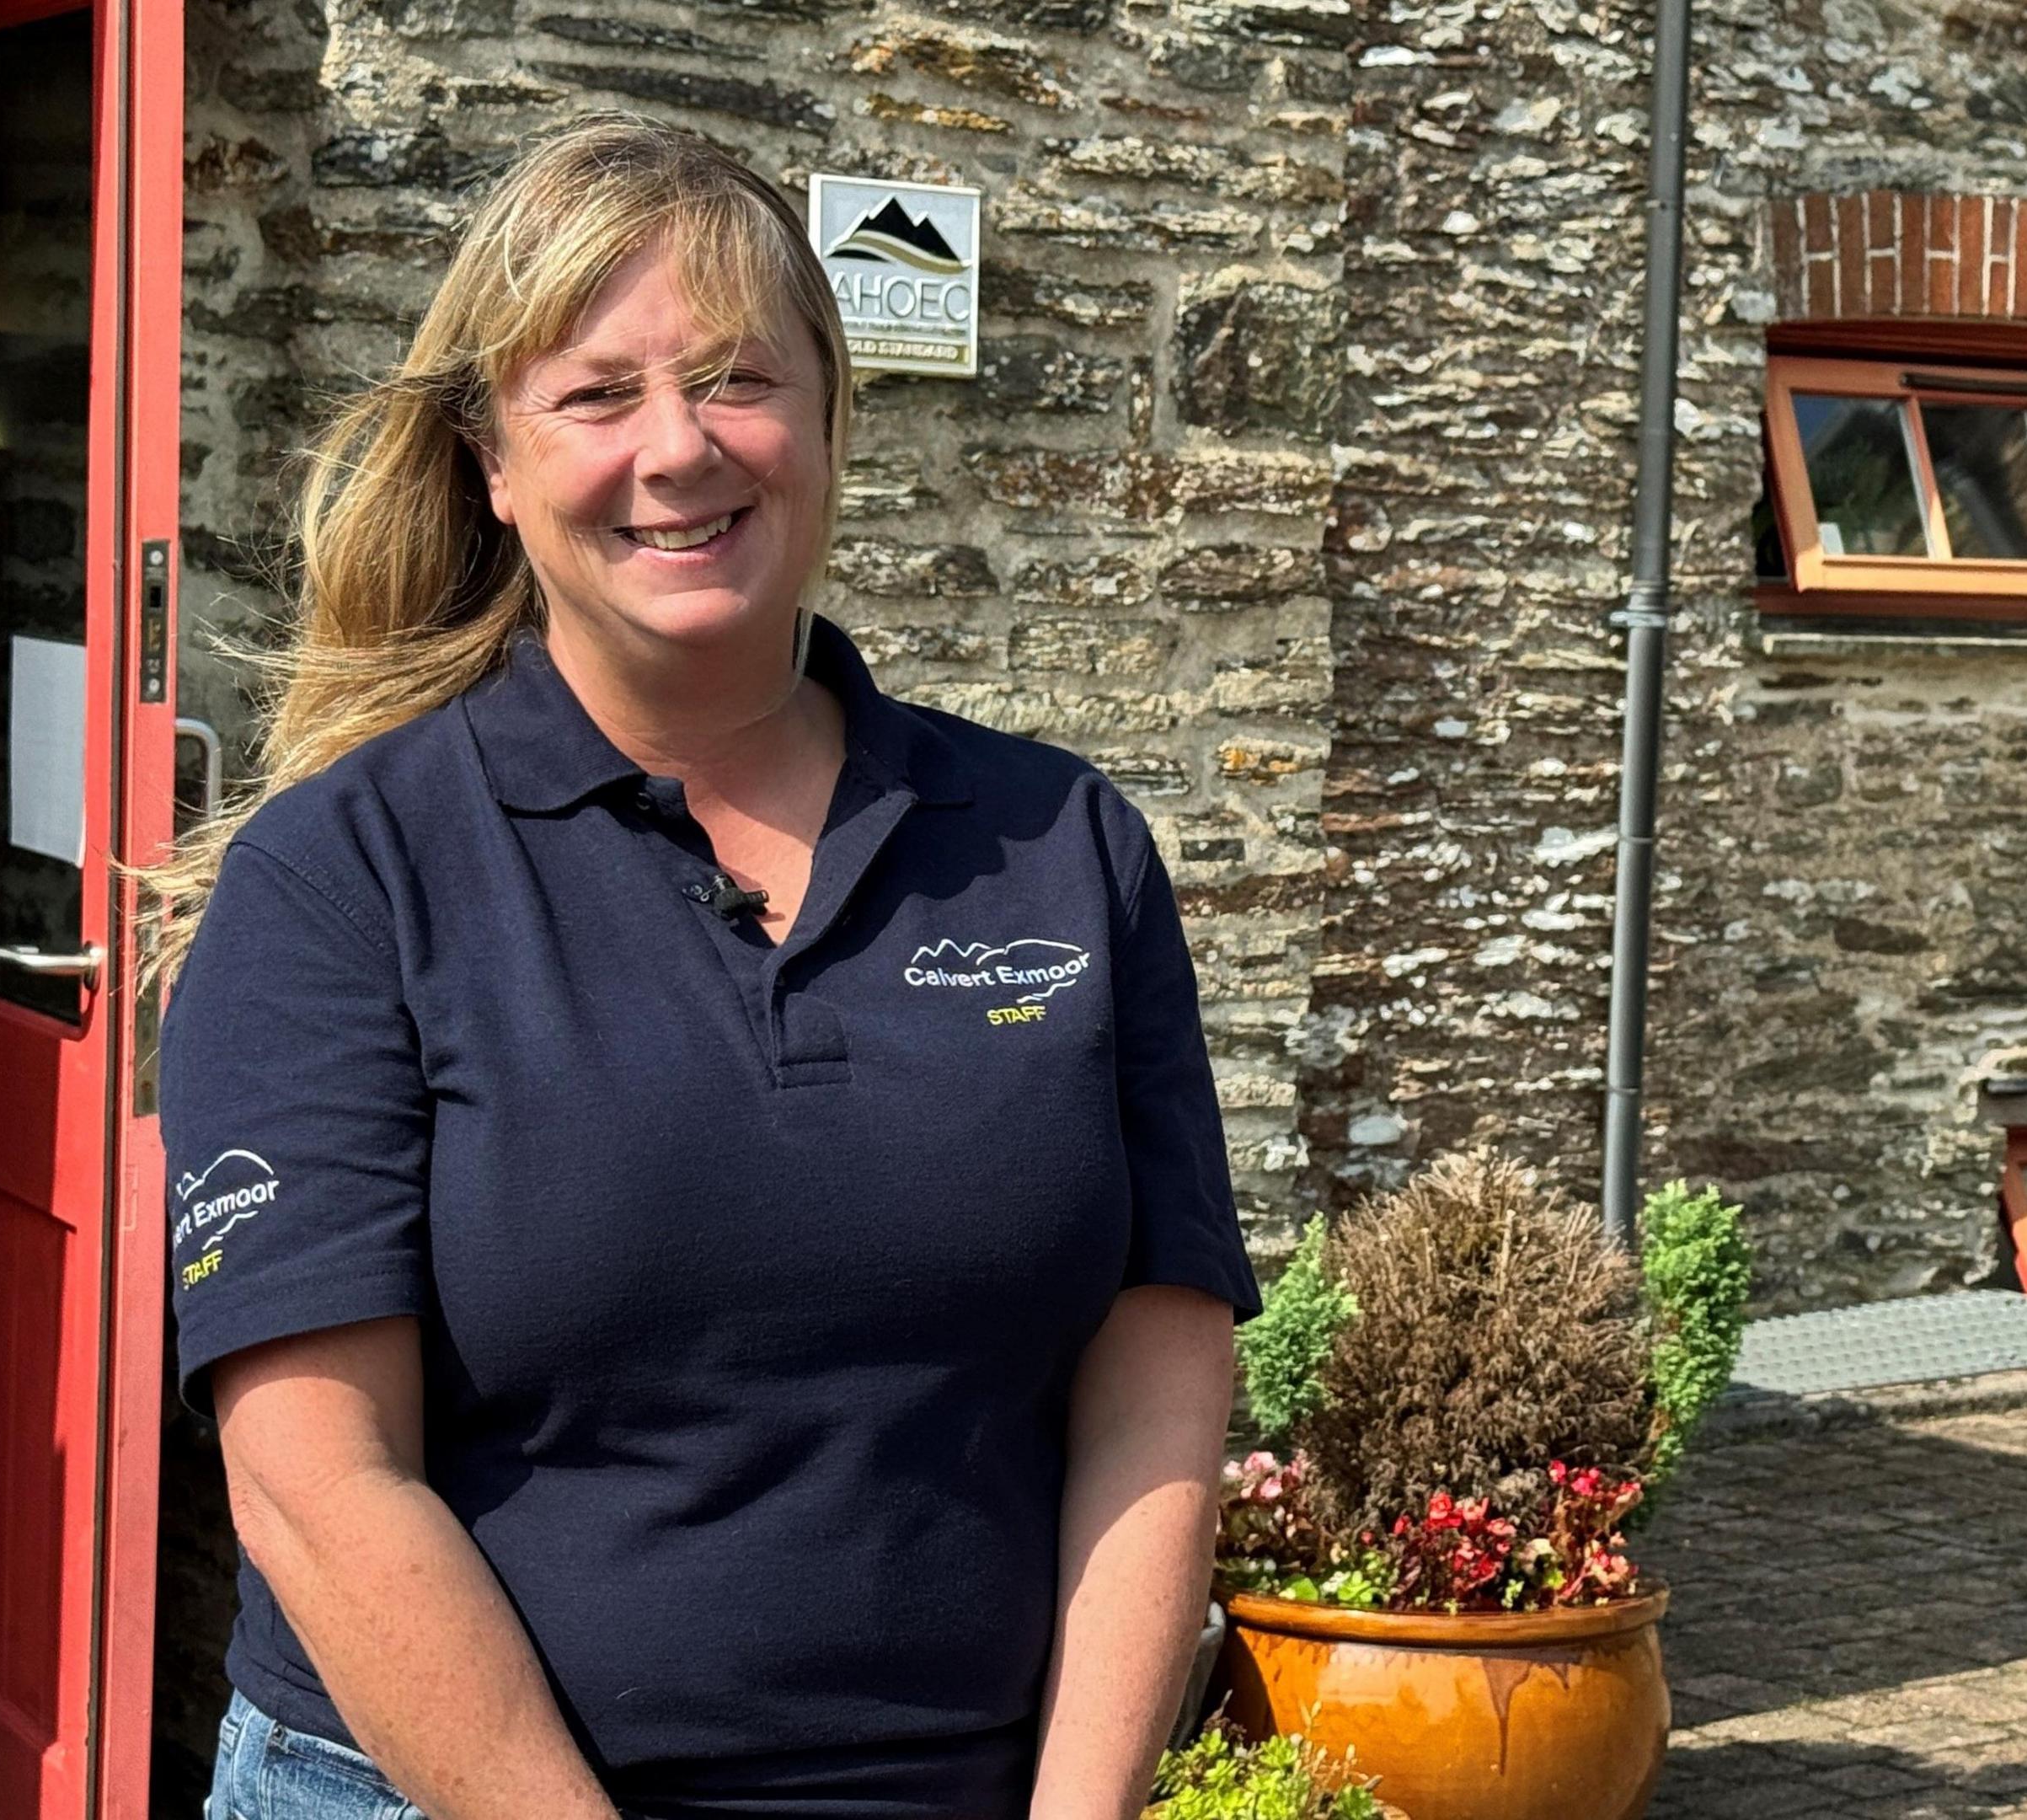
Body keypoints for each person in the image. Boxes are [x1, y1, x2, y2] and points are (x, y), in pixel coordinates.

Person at [152, 116, 1259, 1820]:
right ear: (493, 462)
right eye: (596, 395)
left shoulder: (1057, 843)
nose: (680, 450)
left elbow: (1160, 1378)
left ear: (829, 417)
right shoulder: (344, 874)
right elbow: (313, 1479)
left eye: (739, 379)